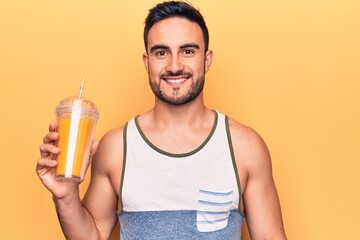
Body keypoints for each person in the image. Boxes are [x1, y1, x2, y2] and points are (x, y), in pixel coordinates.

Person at [36, 1, 287, 239]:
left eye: (188, 51)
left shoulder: (245, 146)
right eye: (161, 52)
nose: (174, 66)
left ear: (206, 60)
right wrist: (66, 196)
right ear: (147, 62)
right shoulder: (116, 147)